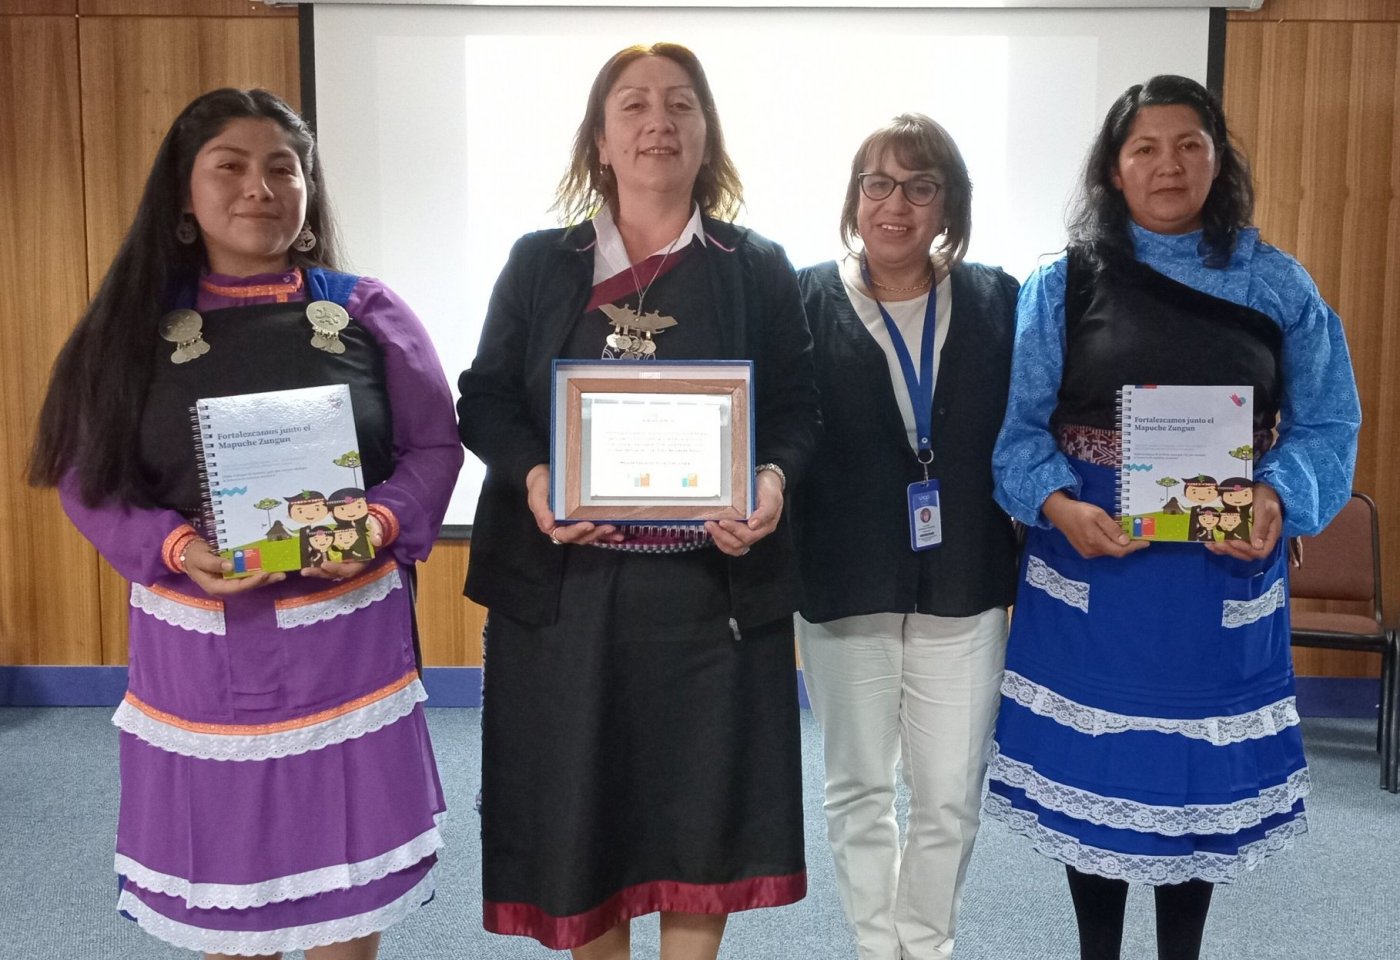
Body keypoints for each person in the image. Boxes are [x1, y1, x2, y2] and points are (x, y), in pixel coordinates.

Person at [28, 88, 463, 959]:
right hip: (200, 643)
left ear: (308, 188)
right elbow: (83, 473)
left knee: (346, 871)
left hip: (347, 637)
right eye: (230, 166)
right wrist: (178, 547)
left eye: (282, 168)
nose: (260, 187)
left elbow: (433, 446)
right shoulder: (133, 326)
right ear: (184, 195)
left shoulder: (365, 309)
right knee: (231, 877)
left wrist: (378, 525)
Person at [457, 42, 819, 960]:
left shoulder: (757, 266)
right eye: (634, 105)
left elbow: (797, 409)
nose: (659, 121)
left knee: (704, 818)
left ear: (707, 133)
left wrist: (772, 481)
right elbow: (486, 398)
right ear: (600, 139)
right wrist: (536, 477)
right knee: (583, 816)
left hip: (711, 600)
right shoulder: (541, 264)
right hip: (570, 597)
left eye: (681, 104)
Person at [987, 75, 1360, 960]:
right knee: (1099, 776)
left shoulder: (1277, 284)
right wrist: (1058, 506)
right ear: (1114, 169)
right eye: (1145, 148)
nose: (1169, 165)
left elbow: (1329, 423)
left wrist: (1276, 493)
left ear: (1218, 160)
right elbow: (1017, 431)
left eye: (1190, 145)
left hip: (1215, 573)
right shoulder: (1062, 285)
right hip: (1093, 566)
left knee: (1194, 786)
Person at [787, 114, 1019, 960]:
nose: (896, 204)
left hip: (964, 579)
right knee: (857, 786)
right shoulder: (802, 300)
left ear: (948, 204)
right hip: (843, 578)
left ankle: (926, 945)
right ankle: (876, 948)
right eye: (878, 184)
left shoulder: (998, 299)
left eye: (921, 187)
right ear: (854, 199)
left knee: (949, 793)